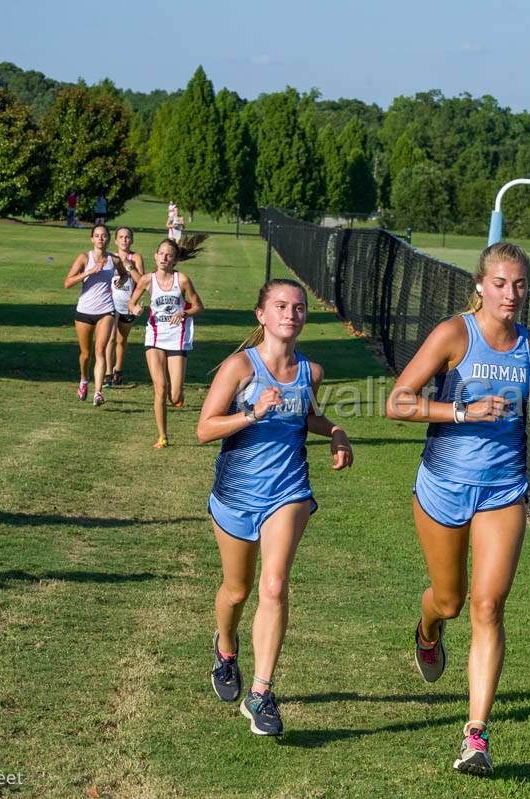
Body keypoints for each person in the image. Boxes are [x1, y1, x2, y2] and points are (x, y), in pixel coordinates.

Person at [386, 242, 530, 776]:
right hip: (442, 485)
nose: (511, 294)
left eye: (520, 284)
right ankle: (427, 630)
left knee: (489, 606)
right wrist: (463, 411)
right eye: (501, 283)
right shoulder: (454, 335)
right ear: (481, 286)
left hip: (502, 491)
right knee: (450, 601)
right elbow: (396, 402)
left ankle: (476, 736)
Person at [196, 278, 353, 736]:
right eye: (281, 306)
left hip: (289, 491)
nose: (291, 313)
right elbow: (204, 429)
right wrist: (252, 413)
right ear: (261, 315)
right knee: (237, 590)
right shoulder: (239, 368)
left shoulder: (311, 372)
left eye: (299, 307)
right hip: (235, 494)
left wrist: (337, 432)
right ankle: (226, 647)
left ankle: (261, 693)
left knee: (274, 583)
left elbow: (307, 416)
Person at [127, 238, 204, 448]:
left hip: (177, 338)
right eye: (161, 253)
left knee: (175, 395)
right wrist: (135, 309)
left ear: (175, 260)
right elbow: (131, 302)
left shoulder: (183, 280)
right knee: (159, 388)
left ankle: (178, 393)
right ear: (155, 256)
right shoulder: (146, 280)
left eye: (169, 255)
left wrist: (184, 312)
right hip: (154, 337)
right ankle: (162, 436)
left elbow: (199, 307)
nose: (164, 258)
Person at [63, 224, 128, 406]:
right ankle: (84, 380)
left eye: (104, 236)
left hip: (106, 310)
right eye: (97, 236)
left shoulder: (114, 260)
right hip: (84, 311)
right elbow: (67, 282)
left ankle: (98, 393)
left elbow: (124, 275)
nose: (101, 239)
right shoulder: (84, 258)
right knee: (86, 354)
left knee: (100, 351)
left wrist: (120, 282)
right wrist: (90, 271)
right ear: (92, 239)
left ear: (108, 239)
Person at [105, 226, 145, 387]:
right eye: (120, 237)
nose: (124, 240)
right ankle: (108, 373)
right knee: (111, 337)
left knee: (122, 339)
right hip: (110, 302)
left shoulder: (136, 258)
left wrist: (129, 267)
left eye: (127, 237)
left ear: (132, 240)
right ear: (115, 240)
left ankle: (118, 371)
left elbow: (142, 282)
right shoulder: (110, 257)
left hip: (128, 304)